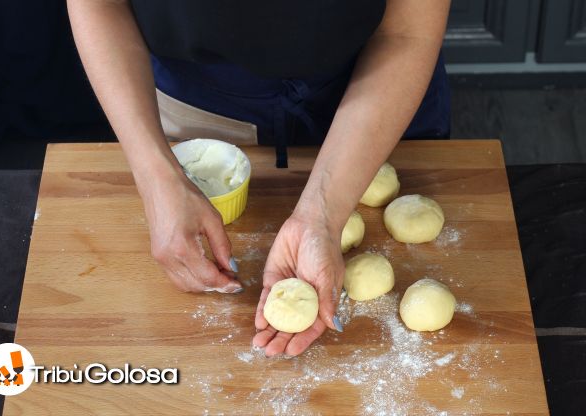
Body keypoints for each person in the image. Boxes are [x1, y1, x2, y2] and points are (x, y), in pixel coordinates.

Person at [67, 0, 451, 357]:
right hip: (195, 102)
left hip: (381, 88)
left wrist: (323, 213)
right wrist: (155, 175)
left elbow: (406, 32)